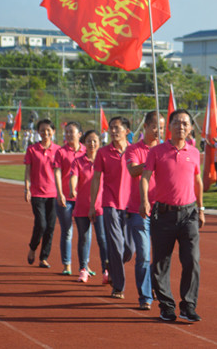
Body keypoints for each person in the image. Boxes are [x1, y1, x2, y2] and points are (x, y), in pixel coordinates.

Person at [140, 109, 205, 322]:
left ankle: (188, 306)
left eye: (185, 123)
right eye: (177, 123)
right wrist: (145, 201)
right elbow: (145, 177)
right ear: (169, 126)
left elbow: (198, 182)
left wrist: (202, 209)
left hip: (189, 214)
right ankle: (166, 306)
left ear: (190, 128)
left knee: (192, 261)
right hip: (163, 215)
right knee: (160, 263)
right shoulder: (157, 151)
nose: (181, 127)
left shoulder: (194, 152)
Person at [91, 116, 132, 299]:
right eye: (111, 128)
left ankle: (112, 266)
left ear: (126, 131)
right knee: (116, 245)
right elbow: (96, 179)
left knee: (129, 249)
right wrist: (94, 204)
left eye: (117, 128)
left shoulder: (134, 151)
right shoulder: (103, 152)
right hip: (110, 204)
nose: (113, 131)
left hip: (131, 204)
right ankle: (118, 286)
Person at [125, 111, 162, 310]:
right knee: (144, 254)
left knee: (160, 256)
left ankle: (156, 286)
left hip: (163, 209)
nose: (159, 131)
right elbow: (132, 171)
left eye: (162, 127)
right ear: (146, 126)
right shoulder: (134, 149)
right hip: (139, 209)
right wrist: (153, 159)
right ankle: (145, 296)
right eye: (155, 126)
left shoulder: (166, 149)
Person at [70, 130, 108, 283]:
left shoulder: (104, 160)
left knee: (103, 239)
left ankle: (106, 270)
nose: (92, 144)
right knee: (84, 239)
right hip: (83, 205)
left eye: (95, 141)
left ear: (99, 142)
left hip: (101, 206)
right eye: (89, 141)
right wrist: (72, 188)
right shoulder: (78, 161)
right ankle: (83, 269)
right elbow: (74, 176)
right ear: (84, 143)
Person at [24, 119, 61, 268]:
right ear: (38, 132)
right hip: (37, 193)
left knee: (50, 227)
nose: (45, 133)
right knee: (41, 224)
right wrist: (27, 188)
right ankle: (33, 248)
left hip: (53, 194)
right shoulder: (32, 149)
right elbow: (27, 171)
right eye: (42, 130)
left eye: (48, 130)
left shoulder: (58, 150)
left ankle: (44, 257)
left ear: (53, 132)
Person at [53, 121, 85, 275]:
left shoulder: (86, 151)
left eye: (71, 131)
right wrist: (60, 193)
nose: (68, 134)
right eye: (66, 132)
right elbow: (57, 173)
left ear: (80, 134)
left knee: (85, 233)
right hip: (65, 198)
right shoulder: (61, 152)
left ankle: (84, 265)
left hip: (83, 198)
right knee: (67, 231)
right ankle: (67, 264)